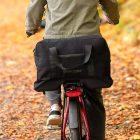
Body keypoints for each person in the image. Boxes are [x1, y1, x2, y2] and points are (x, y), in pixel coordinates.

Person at [25, 0, 119, 139]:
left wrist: (31, 27)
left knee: (49, 68)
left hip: (56, 45)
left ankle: (55, 106)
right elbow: (110, 3)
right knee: (94, 96)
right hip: (89, 44)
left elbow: (36, 5)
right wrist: (113, 18)